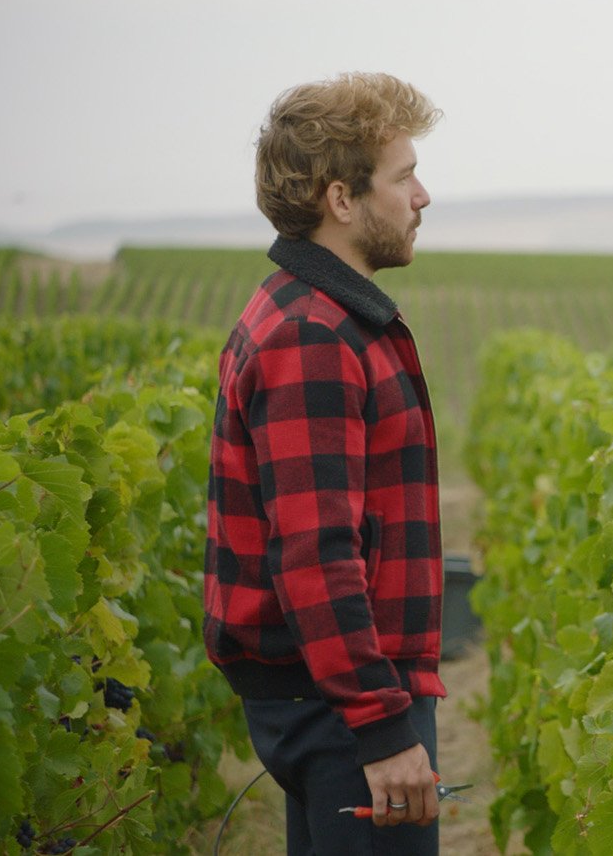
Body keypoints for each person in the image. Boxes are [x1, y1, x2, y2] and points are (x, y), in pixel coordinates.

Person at [204, 72, 446, 853]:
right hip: (344, 702)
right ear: (342, 199)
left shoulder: (310, 310)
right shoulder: (314, 335)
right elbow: (314, 554)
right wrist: (382, 728)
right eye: (404, 176)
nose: (423, 196)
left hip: (330, 692)